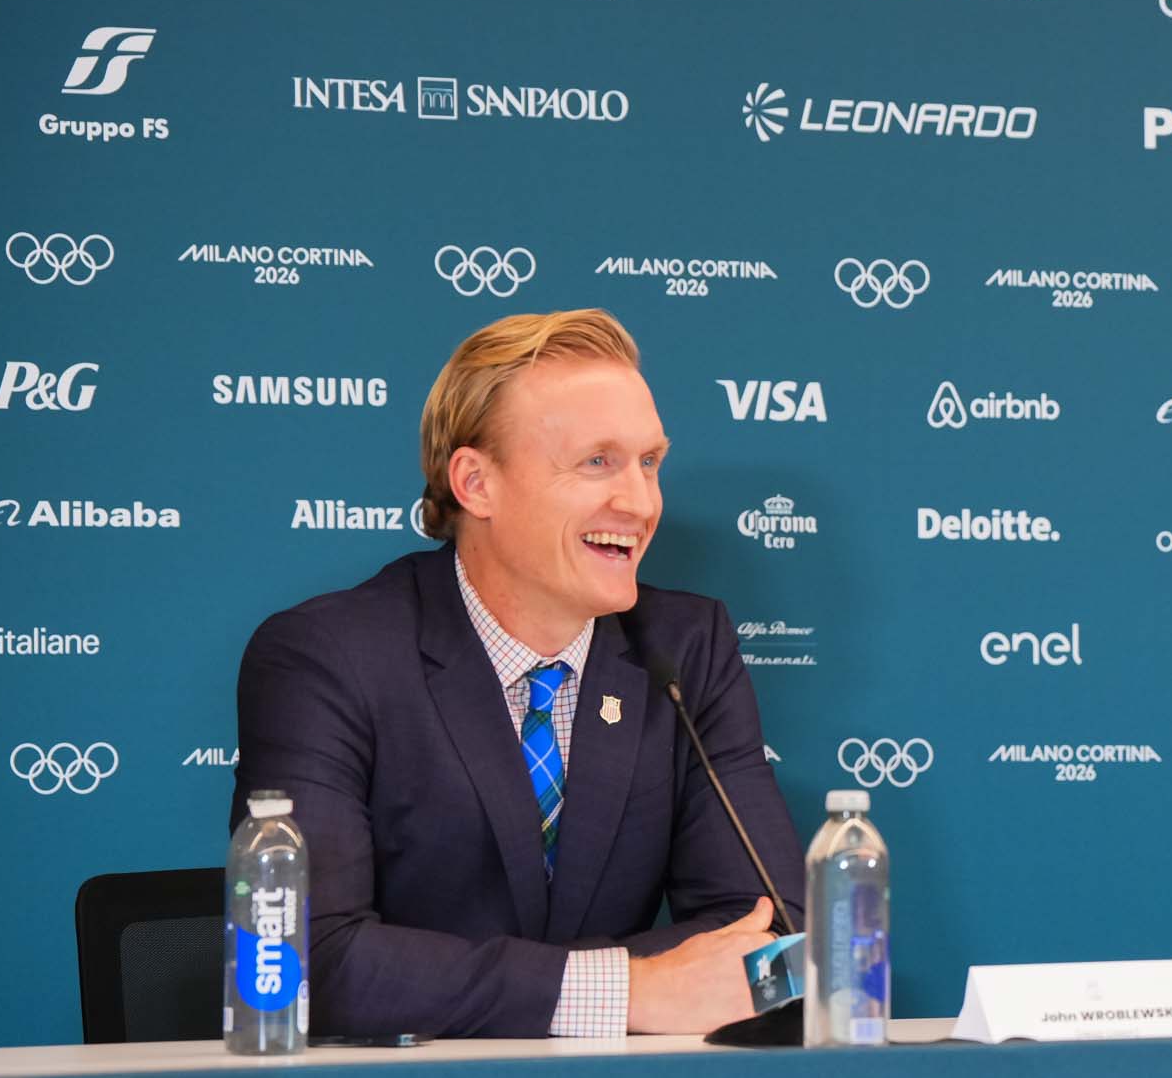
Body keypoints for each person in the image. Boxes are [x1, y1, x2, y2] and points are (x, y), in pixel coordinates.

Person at [233, 309, 803, 1037]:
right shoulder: (326, 656)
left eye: (649, 462)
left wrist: (528, 988)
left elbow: (773, 940)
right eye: (597, 462)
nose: (640, 502)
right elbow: (300, 960)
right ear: (476, 483)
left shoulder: (686, 648)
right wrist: (628, 991)